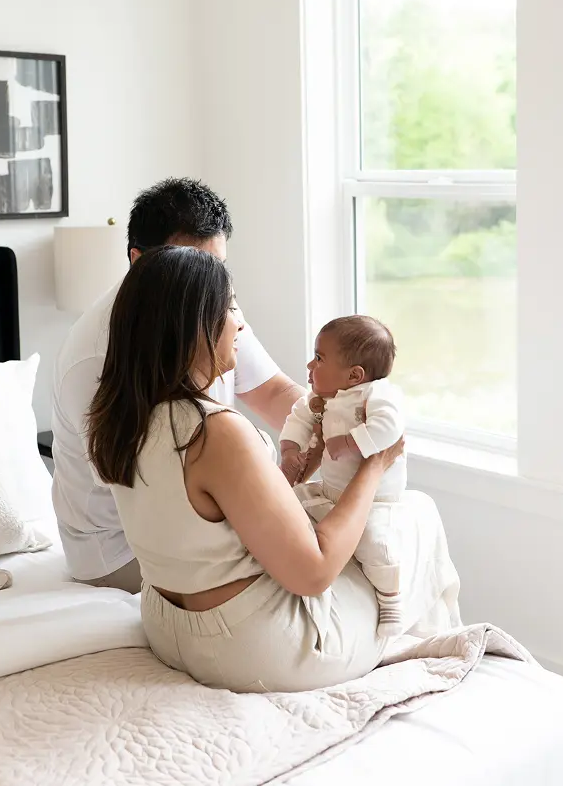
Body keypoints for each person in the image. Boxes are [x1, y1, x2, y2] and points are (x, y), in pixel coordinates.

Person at [86, 245, 461, 693]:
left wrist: (283, 471)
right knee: (417, 516)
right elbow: (313, 573)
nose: (239, 322)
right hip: (253, 647)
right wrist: (373, 466)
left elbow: (204, 520)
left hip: (168, 626)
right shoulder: (213, 432)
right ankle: (443, 656)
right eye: (229, 307)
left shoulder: (118, 417)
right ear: (193, 327)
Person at [51, 178, 304, 593]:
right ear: (138, 260)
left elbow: (274, 393)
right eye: (191, 264)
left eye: (217, 268)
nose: (208, 284)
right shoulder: (94, 356)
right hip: (122, 549)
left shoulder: (212, 305)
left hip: (205, 510)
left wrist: (329, 423)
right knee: (303, 569)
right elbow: (144, 488)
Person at [279, 315, 407, 637]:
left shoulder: (376, 395)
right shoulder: (322, 399)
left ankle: (390, 598)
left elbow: (390, 427)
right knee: (290, 502)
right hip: (330, 490)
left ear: (354, 375)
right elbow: (298, 418)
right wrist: (290, 451)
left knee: (376, 544)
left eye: (319, 358)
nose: (310, 364)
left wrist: (349, 443)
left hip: (374, 501)